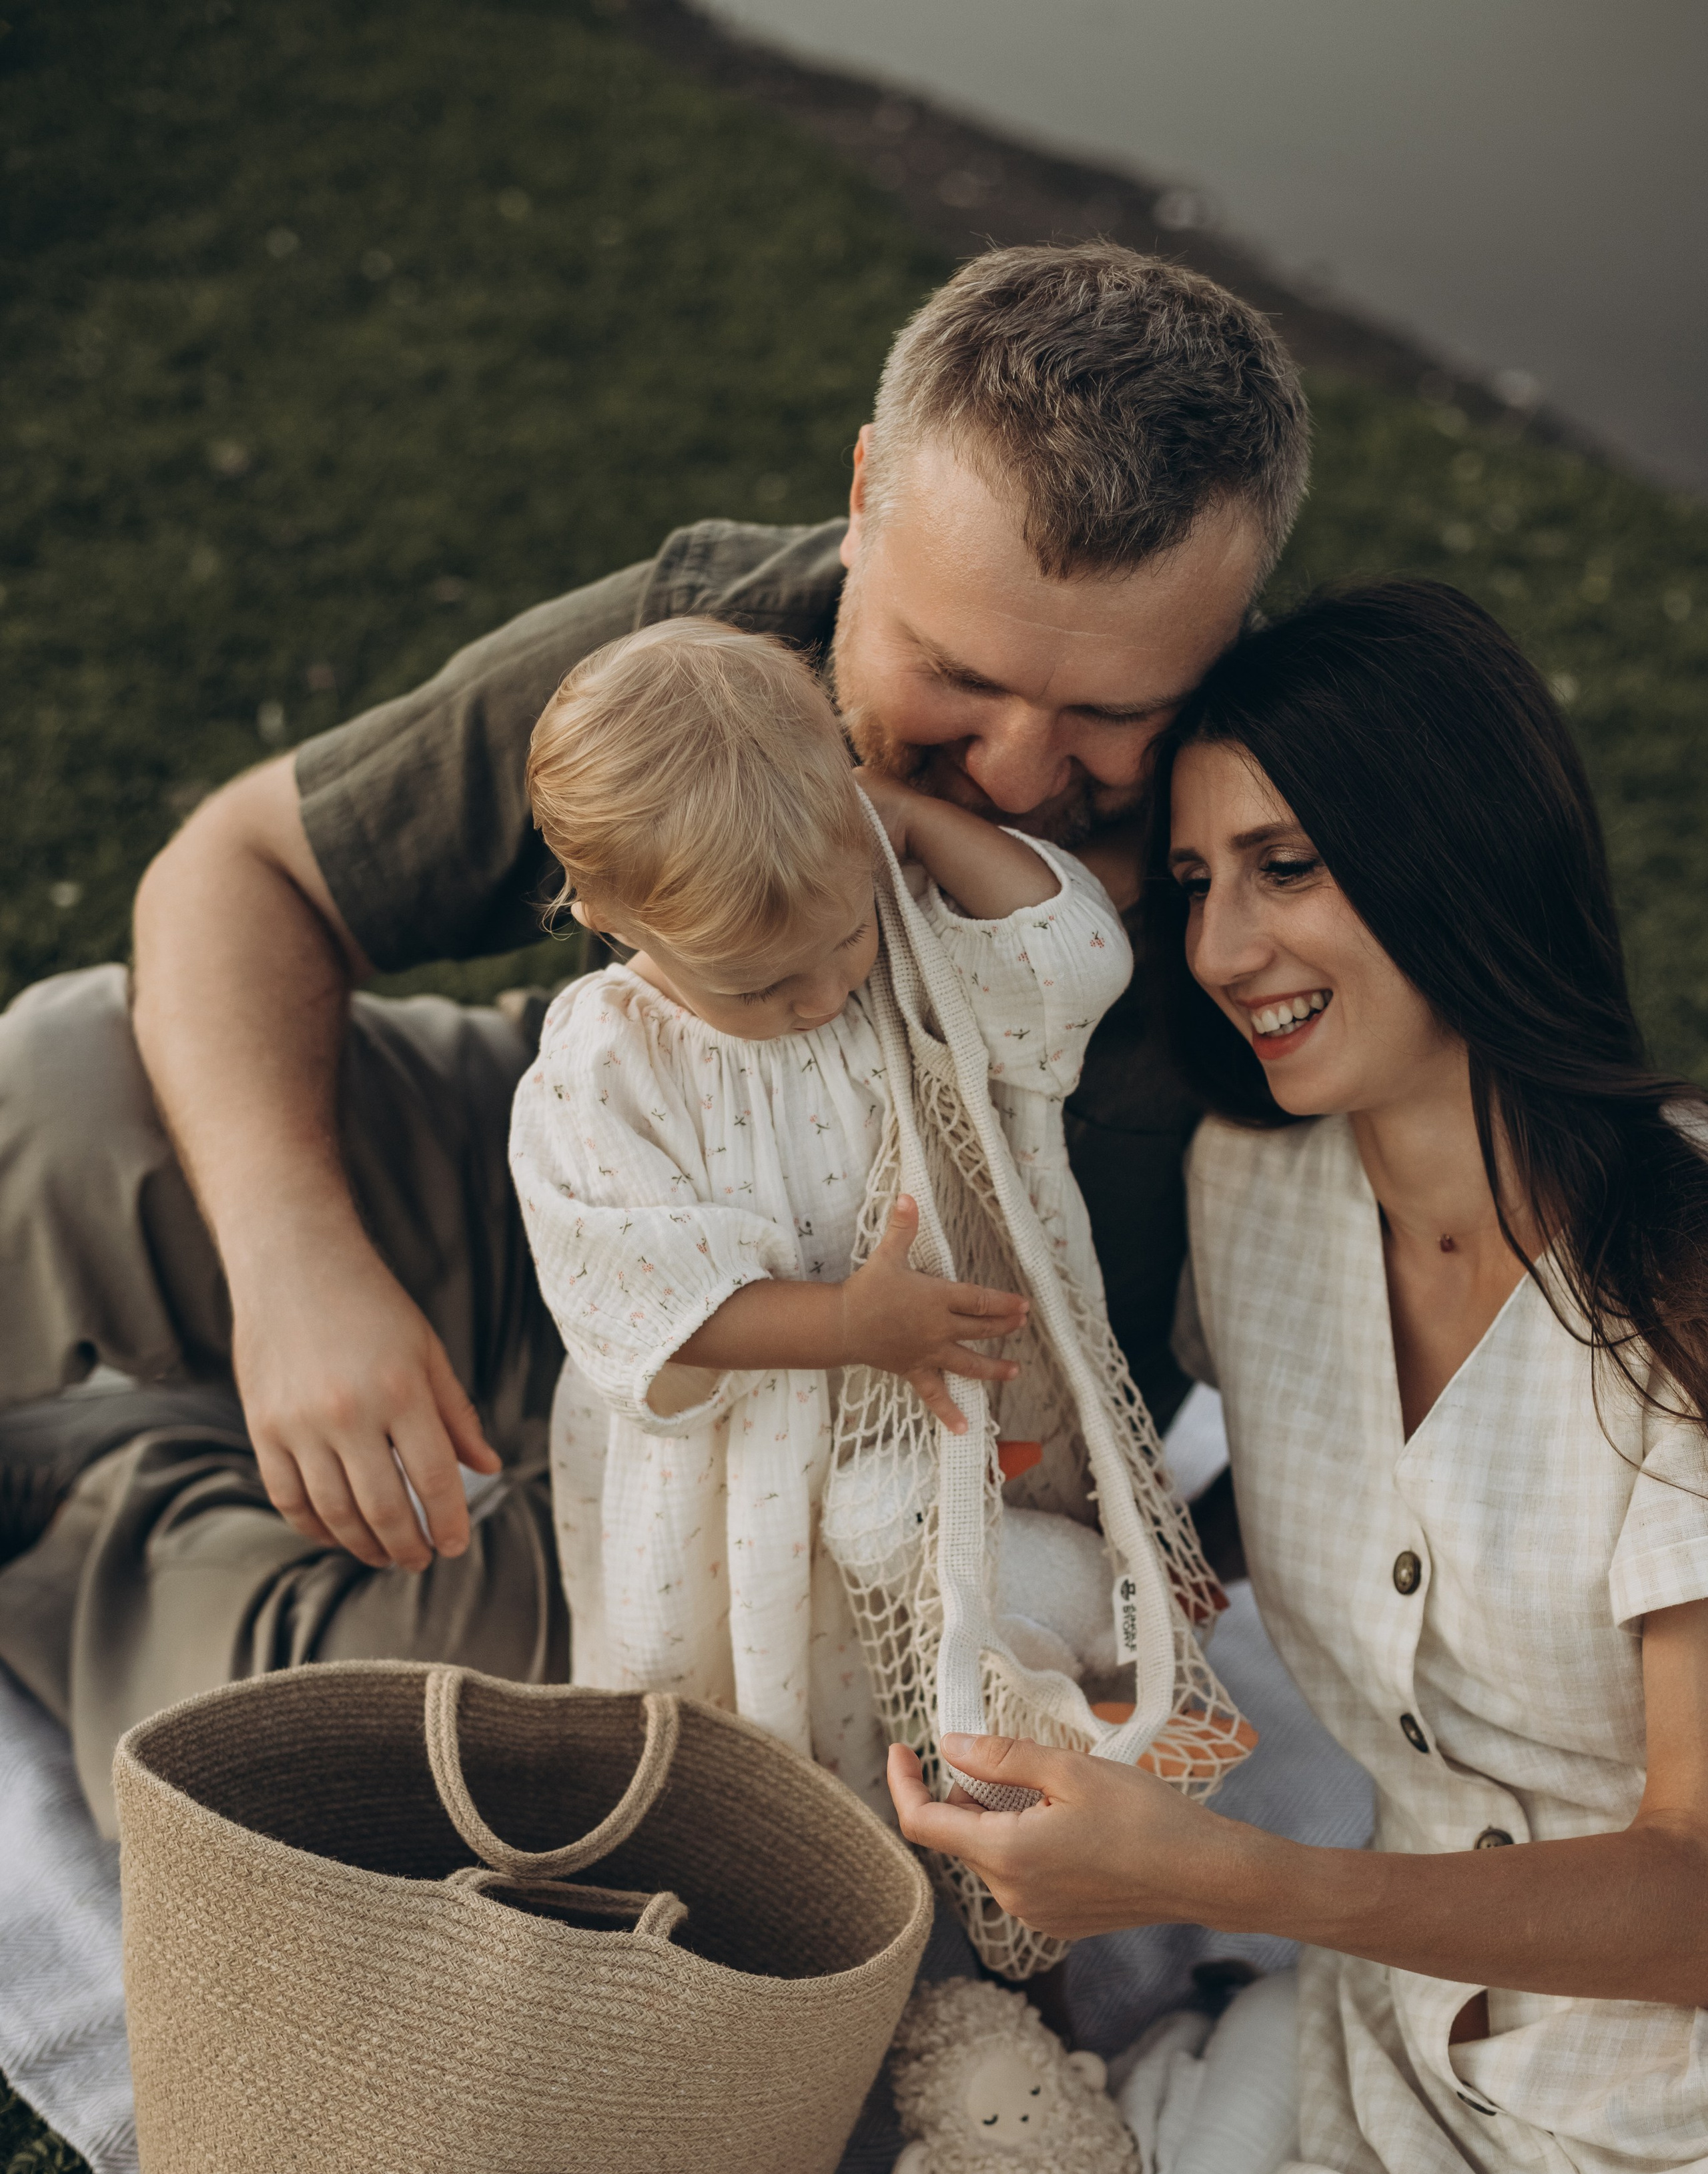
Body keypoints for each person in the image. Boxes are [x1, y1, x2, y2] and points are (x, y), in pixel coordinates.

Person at [0, 244, 1308, 1819]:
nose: (1022, 778)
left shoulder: (1299, 850)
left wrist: (1188, 1572)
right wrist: (297, 1271)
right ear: (861, 498)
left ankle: (94, 1502)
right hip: (585, 1200)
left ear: (1232, 626)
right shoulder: (711, 651)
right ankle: (255, 1384)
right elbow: (244, 869)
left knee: (396, 1769)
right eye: (953, 679)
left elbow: (1462, 1263)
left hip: (829, 1502)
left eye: (1112, 713)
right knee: (68, 1073)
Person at [894, 581, 1708, 2174]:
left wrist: (1220, 1879)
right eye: (1190, 880)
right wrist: (1121, 1631)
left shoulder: (1683, 1279)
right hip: (1419, 2114)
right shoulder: (1252, 1191)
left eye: (1290, 866)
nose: (1227, 946)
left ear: (1455, 853)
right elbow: (1367, 1508)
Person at [508, 615, 1130, 1800]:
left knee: (953, 1664)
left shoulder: (894, 934)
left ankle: (998, 1890)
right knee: (760, 1705)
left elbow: (1073, 963)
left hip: (923, 1436)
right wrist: (849, 1328)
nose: (824, 994)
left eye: (842, 940)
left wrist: (906, 824)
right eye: (761, 983)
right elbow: (641, 1302)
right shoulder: (608, 1070)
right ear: (608, 917)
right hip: (741, 1483)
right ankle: (801, 1900)